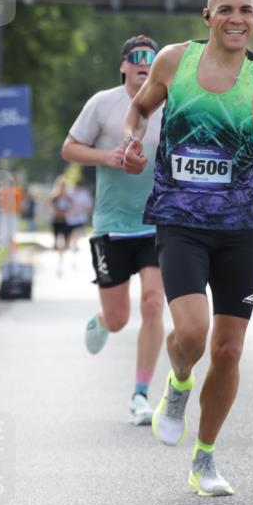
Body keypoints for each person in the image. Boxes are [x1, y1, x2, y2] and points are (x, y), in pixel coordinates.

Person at [123, 0, 253, 496]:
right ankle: (179, 382)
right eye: (225, 9)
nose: (236, 18)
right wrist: (133, 140)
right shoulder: (172, 62)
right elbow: (140, 109)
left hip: (240, 229)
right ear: (207, 15)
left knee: (228, 351)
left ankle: (204, 458)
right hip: (180, 220)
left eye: (246, 11)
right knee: (191, 333)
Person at [62, 36, 164, 426]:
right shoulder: (102, 104)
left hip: (157, 222)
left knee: (154, 303)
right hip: (112, 225)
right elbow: (69, 148)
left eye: (150, 60)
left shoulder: (170, 106)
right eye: (136, 59)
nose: (143, 64)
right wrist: (107, 156)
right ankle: (103, 320)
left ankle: (140, 394)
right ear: (123, 66)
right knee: (120, 317)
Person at [49, 177, 73, 274]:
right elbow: (47, 205)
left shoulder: (68, 197)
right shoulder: (55, 197)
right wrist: (53, 212)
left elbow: (73, 206)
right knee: (58, 242)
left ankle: (61, 257)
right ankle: (59, 260)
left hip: (65, 221)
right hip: (56, 221)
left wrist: (69, 212)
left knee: (66, 243)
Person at [66, 178, 94, 263]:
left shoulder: (84, 194)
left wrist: (81, 208)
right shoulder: (70, 192)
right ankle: (71, 246)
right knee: (70, 236)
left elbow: (89, 207)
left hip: (80, 218)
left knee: (75, 234)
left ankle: (74, 247)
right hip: (70, 218)